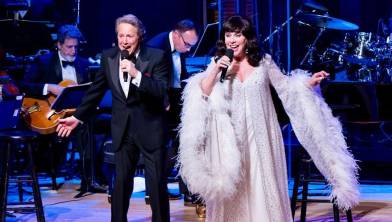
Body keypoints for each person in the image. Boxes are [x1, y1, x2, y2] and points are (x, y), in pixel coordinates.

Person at [178, 15, 359, 221]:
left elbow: (286, 88)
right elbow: (203, 92)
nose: (232, 40)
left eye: (238, 35)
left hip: (261, 135)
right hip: (231, 139)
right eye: (228, 35)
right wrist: (216, 69)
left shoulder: (263, 62)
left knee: (261, 184)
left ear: (247, 38)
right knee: (233, 187)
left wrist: (309, 82)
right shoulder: (217, 62)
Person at [56, 14, 170, 222]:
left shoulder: (157, 56)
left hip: (150, 129)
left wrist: (137, 75)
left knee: (156, 186)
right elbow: (95, 92)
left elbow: (161, 91)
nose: (124, 40)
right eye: (121, 35)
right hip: (122, 130)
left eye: (130, 36)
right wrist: (78, 118)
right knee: (120, 185)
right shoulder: (108, 57)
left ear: (140, 36)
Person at [21, 24, 97, 193]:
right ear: (59, 45)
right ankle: (47, 168)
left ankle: (89, 179)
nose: (73, 51)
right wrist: (49, 87)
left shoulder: (83, 64)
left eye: (76, 47)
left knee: (93, 125)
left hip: (75, 113)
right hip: (51, 113)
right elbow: (24, 85)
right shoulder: (44, 61)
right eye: (69, 47)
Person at [146, 19, 198, 205]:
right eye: (187, 44)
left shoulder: (180, 46)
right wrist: (163, 101)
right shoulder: (156, 47)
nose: (189, 49)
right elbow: (148, 80)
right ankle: (154, 189)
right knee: (161, 146)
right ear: (176, 34)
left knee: (184, 141)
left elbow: (177, 76)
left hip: (174, 97)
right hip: (158, 102)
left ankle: (188, 190)